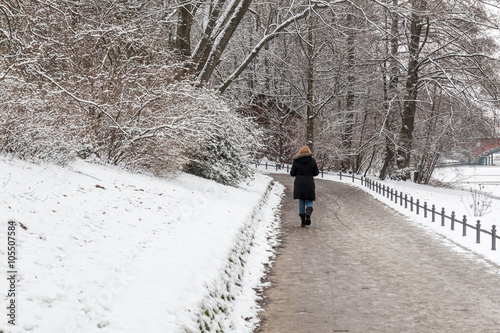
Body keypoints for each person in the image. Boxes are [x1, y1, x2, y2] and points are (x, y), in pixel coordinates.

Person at [290, 145, 319, 227]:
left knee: (301, 200)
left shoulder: (296, 161)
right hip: (309, 182)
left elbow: (292, 173)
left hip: (299, 183)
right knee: (309, 200)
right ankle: (308, 212)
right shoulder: (312, 161)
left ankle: (303, 221)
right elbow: (316, 173)